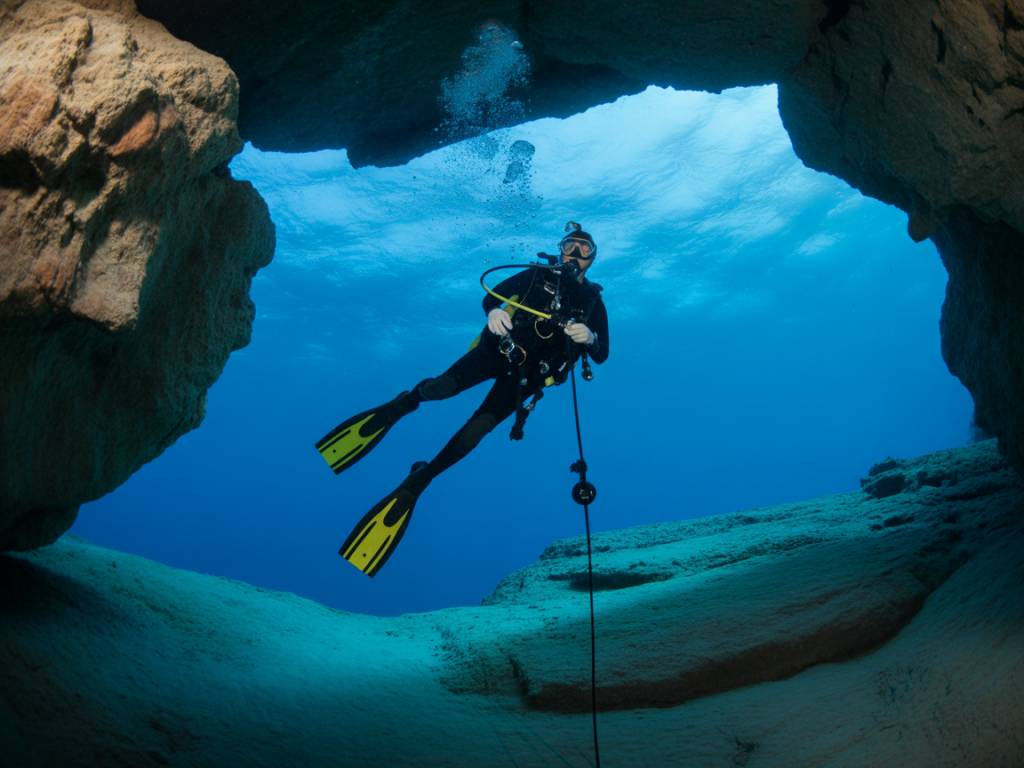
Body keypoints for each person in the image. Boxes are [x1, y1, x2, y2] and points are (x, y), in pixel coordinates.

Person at [315, 222, 610, 576]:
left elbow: (603, 352)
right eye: (569, 246)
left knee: (475, 432)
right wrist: (494, 312)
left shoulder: (593, 302)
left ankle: (421, 479)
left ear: (593, 259)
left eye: (583, 250)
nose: (574, 255)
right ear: (559, 249)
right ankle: (407, 401)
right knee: (441, 388)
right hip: (496, 352)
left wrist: (590, 336)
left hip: (528, 378)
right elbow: (490, 295)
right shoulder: (535, 276)